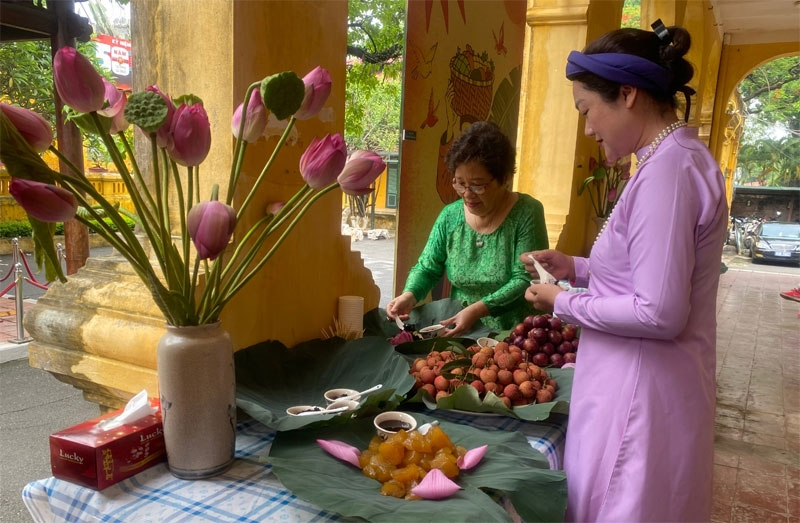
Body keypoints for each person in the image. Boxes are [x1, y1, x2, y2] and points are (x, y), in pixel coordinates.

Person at [521, 21, 728, 522]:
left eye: (587, 110)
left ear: (628, 94)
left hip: (640, 396)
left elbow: (659, 312)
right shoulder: (667, 162)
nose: (588, 128)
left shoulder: (670, 173)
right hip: (636, 384)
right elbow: (645, 272)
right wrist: (577, 267)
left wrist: (562, 301)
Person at [387, 120, 548, 336]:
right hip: (459, 330)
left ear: (505, 179)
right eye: (460, 183)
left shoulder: (527, 212)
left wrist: (477, 310)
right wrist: (410, 294)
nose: (467, 194)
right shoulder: (450, 216)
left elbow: (524, 279)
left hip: (516, 333)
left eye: (478, 185)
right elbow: (428, 267)